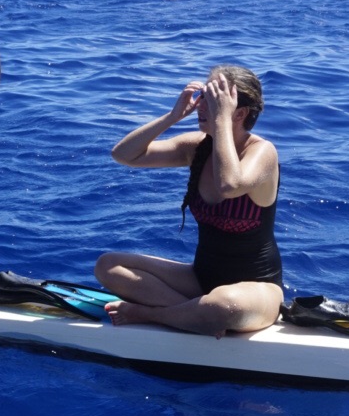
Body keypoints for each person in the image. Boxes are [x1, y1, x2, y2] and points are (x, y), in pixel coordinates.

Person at [95, 65, 283, 337]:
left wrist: (219, 121)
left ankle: (155, 314)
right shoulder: (197, 148)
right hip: (200, 279)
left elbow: (230, 184)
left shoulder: (263, 152)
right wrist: (172, 116)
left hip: (255, 289)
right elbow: (124, 155)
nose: (202, 106)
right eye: (203, 96)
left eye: (213, 99)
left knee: (221, 304)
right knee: (107, 265)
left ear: (239, 113)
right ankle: (195, 313)